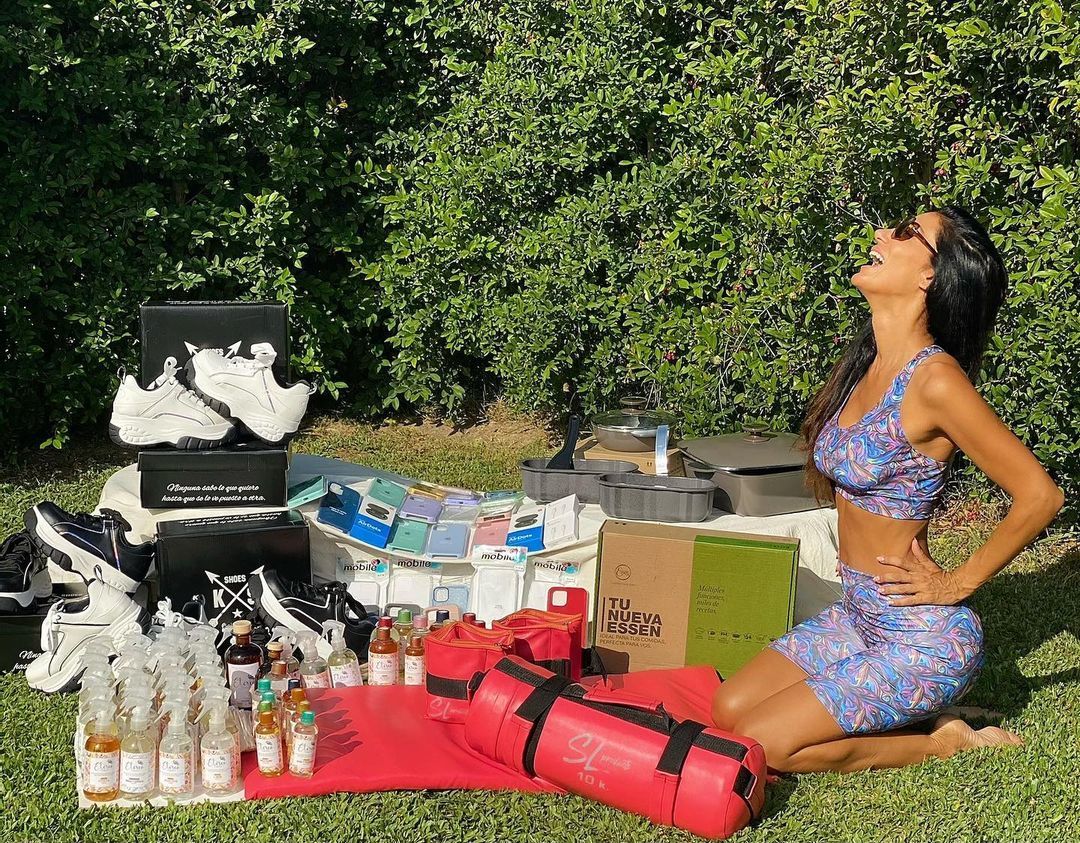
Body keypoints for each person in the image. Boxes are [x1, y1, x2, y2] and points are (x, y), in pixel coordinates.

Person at [711, 208, 1064, 773]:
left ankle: (944, 741)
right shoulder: (869, 365)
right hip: (858, 614)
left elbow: (1041, 496)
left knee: (765, 742)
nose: (881, 234)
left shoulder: (935, 381)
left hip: (920, 638)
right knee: (729, 710)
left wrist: (958, 582)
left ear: (931, 275)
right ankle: (921, 714)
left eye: (905, 232)